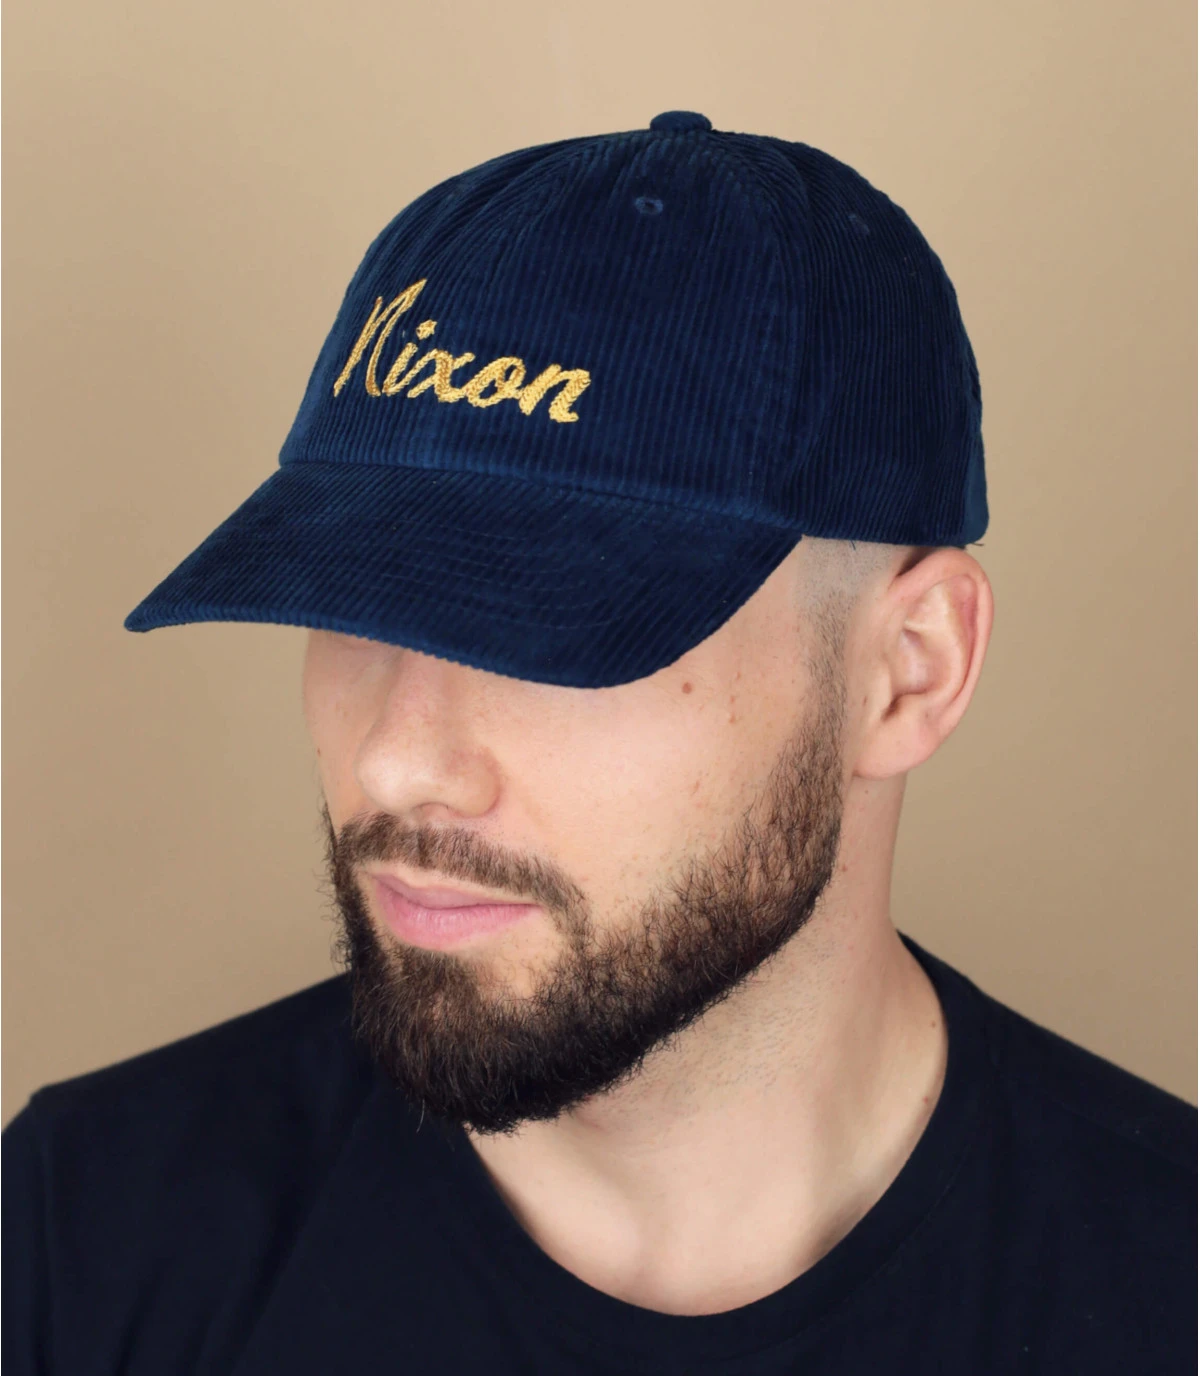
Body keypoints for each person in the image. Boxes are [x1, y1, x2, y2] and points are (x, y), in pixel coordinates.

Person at [3, 112, 1194, 1374]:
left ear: (909, 672)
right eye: (351, 605)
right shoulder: (79, 1239)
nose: (397, 762)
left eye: (550, 627)